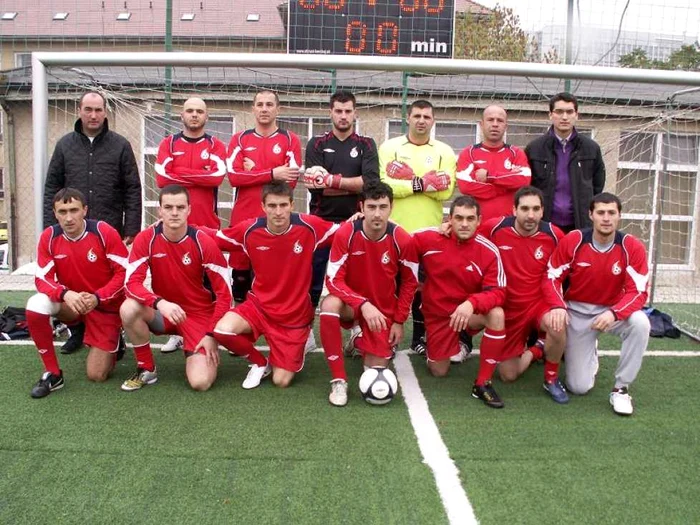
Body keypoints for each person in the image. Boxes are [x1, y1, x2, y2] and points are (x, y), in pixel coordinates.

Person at [205, 182, 339, 389]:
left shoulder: (310, 227)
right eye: (273, 205)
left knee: (281, 381)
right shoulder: (250, 230)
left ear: (292, 205)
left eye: (283, 205)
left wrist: (360, 221)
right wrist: (181, 227)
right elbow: (214, 238)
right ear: (263, 207)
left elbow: (345, 233)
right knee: (223, 330)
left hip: (293, 315)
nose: (278, 211)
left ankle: (299, 342)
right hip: (259, 307)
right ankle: (260, 363)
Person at [42, 91, 141, 354]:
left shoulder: (120, 145)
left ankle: (112, 330)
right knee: (71, 282)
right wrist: (48, 227)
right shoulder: (65, 145)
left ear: (105, 112)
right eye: (88, 109)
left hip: (108, 228)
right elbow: (52, 186)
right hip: (72, 231)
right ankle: (78, 331)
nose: (93, 115)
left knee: (108, 284)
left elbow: (133, 187)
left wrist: (131, 228)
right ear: (79, 110)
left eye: (98, 110)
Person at [545, 192, 650, 415]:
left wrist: (614, 313)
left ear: (619, 216)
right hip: (578, 313)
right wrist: (558, 306)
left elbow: (638, 292)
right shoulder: (574, 240)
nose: (606, 218)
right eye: (600, 212)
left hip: (612, 313)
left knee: (641, 323)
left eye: (611, 213)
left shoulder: (632, 247)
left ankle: (621, 389)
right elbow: (551, 276)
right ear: (590, 215)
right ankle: (589, 348)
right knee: (579, 387)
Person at [119, 185, 232, 392]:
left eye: (180, 207)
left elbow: (225, 294)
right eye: (168, 207)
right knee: (128, 308)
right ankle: (146, 368)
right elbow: (131, 284)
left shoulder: (202, 241)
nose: (174, 212)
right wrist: (159, 302)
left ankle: (192, 344)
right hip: (165, 312)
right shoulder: (146, 238)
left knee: (200, 382)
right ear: (159, 210)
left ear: (189, 209)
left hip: (198, 315)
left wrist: (211, 334)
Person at [319, 181, 418, 406]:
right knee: (329, 306)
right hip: (352, 305)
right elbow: (333, 280)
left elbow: (409, 284)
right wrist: (362, 303)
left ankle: (358, 339)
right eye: (371, 207)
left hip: (381, 311)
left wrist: (399, 321)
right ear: (361, 207)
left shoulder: (402, 239)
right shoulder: (347, 233)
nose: (377, 214)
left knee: (374, 369)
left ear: (391, 207)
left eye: (383, 207)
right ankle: (339, 380)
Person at [27, 188, 129, 398]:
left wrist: (98, 297)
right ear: (55, 213)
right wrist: (65, 294)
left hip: (105, 307)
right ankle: (53, 373)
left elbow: (124, 273)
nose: (69, 217)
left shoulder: (103, 232)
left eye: (74, 210)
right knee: (37, 304)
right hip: (74, 303)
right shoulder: (49, 236)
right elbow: (42, 279)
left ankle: (115, 336)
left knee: (97, 375)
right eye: (62, 212)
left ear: (85, 210)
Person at [413, 195, 508, 408]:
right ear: (450, 219)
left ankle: (483, 383)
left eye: (470, 218)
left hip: (468, 313)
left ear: (479, 221)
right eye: (459, 218)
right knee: (439, 371)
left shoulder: (489, 250)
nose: (464, 224)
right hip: (439, 315)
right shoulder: (428, 238)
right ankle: (451, 342)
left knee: (497, 314)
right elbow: (397, 240)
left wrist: (471, 303)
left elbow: (498, 292)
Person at [379, 99, 457, 358]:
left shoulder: (445, 151)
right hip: (394, 230)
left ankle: (419, 338)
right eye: (417, 116)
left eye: (426, 116)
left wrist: (409, 181)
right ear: (408, 118)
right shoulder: (389, 147)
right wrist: (422, 183)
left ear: (433, 121)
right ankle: (385, 339)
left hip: (430, 231)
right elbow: (385, 187)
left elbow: (446, 191)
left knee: (424, 288)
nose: (421, 120)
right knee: (391, 286)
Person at [303, 91, 380, 352]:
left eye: (348, 111)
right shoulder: (316, 144)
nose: (343, 116)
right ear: (331, 112)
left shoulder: (367, 144)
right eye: (339, 111)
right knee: (313, 281)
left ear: (355, 113)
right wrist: (351, 184)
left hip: (357, 222)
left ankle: (357, 330)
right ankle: (306, 333)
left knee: (357, 280)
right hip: (321, 224)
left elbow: (370, 183)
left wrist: (332, 181)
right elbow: (315, 188)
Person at [479, 186, 568, 403]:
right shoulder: (495, 228)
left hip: (538, 303)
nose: (530, 215)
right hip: (507, 308)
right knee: (509, 375)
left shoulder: (555, 235)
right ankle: (538, 348)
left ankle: (551, 378)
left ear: (542, 210)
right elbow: (468, 235)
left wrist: (558, 305)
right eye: (525, 208)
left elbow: (560, 272)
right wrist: (445, 227)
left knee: (557, 324)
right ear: (514, 209)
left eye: (536, 209)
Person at [155, 97, 228, 354]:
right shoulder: (168, 143)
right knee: (174, 281)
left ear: (206, 116)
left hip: (205, 226)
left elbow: (216, 177)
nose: (194, 115)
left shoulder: (216, 145)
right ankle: (176, 331)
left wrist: (180, 173)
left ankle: (212, 330)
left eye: (199, 111)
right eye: (190, 111)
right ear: (181, 115)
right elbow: (162, 178)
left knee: (208, 285)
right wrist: (200, 174)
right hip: (174, 228)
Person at [226, 90, 302, 306]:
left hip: (276, 219)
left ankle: (276, 323)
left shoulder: (290, 139)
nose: (264, 109)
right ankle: (241, 324)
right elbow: (233, 177)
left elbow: (289, 182)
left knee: (275, 275)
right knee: (240, 276)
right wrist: (271, 173)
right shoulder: (239, 139)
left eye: (269, 104)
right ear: (253, 109)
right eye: (260, 104)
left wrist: (255, 170)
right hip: (243, 218)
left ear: (278, 109)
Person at [525, 92, 605, 233]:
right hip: (544, 225)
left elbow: (597, 186)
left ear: (576, 115)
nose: (564, 117)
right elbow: (528, 186)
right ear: (550, 115)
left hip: (580, 225)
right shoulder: (534, 149)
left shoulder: (591, 148)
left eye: (569, 112)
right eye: (559, 111)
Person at [456, 105, 531, 221]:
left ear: (505, 126)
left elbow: (524, 179)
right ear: (482, 124)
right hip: (476, 226)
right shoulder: (468, 153)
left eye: (500, 121)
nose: (495, 124)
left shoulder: (516, 153)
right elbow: (465, 186)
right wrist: (504, 186)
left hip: (509, 225)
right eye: (490, 120)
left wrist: (489, 177)